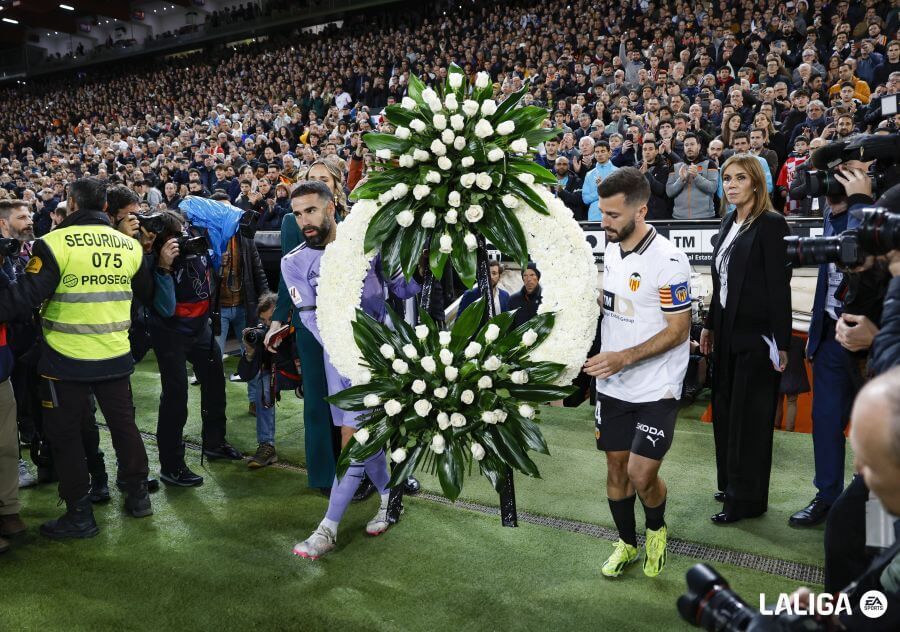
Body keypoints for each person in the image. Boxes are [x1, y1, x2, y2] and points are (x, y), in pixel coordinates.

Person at [0, 178, 158, 539]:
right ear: (105, 207)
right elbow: (146, 294)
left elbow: (23, 298)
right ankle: (138, 498)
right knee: (125, 428)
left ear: (71, 203)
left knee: (67, 436)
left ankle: (80, 515)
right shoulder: (129, 246)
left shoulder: (53, 244)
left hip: (65, 361)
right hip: (116, 356)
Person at [280, 180, 421, 559]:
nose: (303, 221)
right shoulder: (293, 263)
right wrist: (347, 352)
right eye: (297, 214)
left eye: (310, 210)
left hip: (382, 359)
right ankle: (391, 500)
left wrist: (411, 256)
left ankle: (328, 528)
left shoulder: (368, 246)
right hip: (338, 361)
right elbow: (311, 319)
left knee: (357, 437)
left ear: (332, 206)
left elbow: (406, 290)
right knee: (363, 438)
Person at [584, 166, 691, 579]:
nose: (603, 223)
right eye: (602, 213)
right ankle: (627, 544)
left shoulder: (669, 261)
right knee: (615, 468)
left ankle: (656, 530)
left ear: (641, 210)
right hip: (612, 384)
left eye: (612, 215)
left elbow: (679, 331)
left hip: (656, 387)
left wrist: (623, 357)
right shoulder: (612, 249)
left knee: (641, 473)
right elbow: (616, 304)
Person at [700, 155, 792, 524]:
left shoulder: (771, 224)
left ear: (756, 183)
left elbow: (778, 288)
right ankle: (731, 485)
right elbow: (720, 283)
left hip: (757, 339)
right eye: (726, 178)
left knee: (748, 422)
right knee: (725, 414)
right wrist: (708, 325)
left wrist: (782, 343)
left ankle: (747, 500)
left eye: (740, 178)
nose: (731, 184)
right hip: (726, 334)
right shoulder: (728, 222)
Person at [147, 210, 242, 487]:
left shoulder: (197, 246)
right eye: (176, 234)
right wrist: (164, 266)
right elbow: (163, 307)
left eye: (184, 230)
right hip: (170, 332)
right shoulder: (153, 258)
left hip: (199, 328)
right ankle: (172, 466)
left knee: (215, 386)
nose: (183, 238)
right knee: (176, 398)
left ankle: (215, 442)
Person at [237, 292, 285, 468]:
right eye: (264, 322)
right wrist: (249, 352)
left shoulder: (298, 328)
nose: (267, 325)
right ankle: (267, 446)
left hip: (300, 374)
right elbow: (245, 375)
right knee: (262, 385)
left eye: (271, 319)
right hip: (277, 375)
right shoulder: (263, 336)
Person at [666, 134, 718, 219]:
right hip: (679, 218)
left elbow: (713, 188)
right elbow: (669, 192)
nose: (689, 147)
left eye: (692, 144)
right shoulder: (675, 167)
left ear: (699, 146)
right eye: (686, 145)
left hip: (705, 217)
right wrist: (681, 180)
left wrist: (696, 176)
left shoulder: (709, 164)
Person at [581, 140, 619, 221]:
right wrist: (599, 191)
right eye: (597, 152)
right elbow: (585, 199)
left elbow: (622, 196)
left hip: (614, 216)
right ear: (594, 154)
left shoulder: (618, 172)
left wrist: (603, 190)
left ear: (609, 153)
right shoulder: (589, 174)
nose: (600, 154)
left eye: (603, 151)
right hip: (594, 217)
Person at [508, 263, 542, 328]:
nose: (529, 279)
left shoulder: (546, 298)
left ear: (538, 277)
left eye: (532, 275)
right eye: (525, 275)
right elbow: (509, 326)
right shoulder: (513, 300)